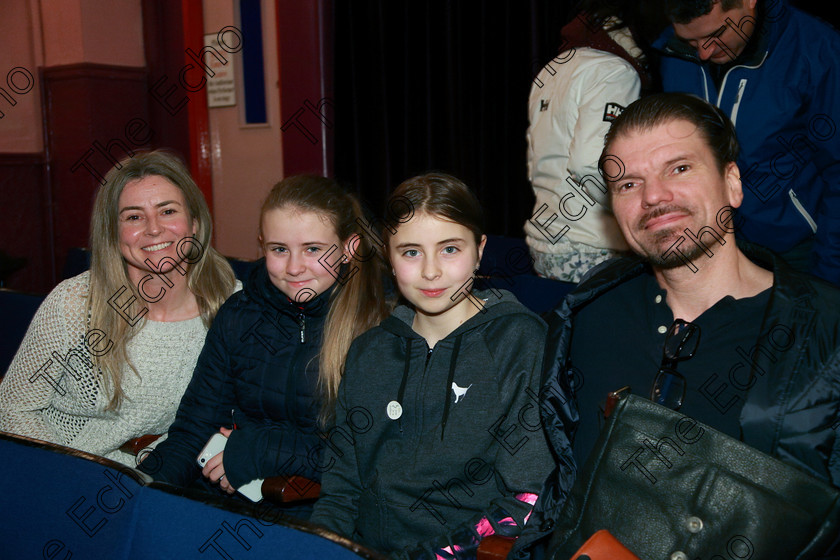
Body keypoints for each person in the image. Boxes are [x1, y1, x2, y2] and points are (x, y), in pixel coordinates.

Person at [517, 92, 840, 556]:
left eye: (679, 168)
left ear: (733, 183)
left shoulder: (823, 332)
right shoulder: (584, 315)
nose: (653, 197)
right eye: (628, 184)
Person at [310, 172, 557, 558]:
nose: (430, 271)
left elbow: (527, 497)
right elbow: (341, 489)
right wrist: (318, 548)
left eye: (449, 249)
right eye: (410, 252)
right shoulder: (369, 351)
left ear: (479, 249)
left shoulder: (519, 341)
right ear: (389, 258)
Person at [138, 175, 387, 512]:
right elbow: (194, 427)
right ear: (261, 245)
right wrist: (141, 491)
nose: (294, 267)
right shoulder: (240, 313)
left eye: (313, 249)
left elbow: (375, 460)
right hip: (232, 499)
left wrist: (257, 451)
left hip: (329, 512)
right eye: (279, 249)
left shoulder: (380, 326)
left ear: (348, 249)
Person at [0, 150, 238, 467]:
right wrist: (67, 473)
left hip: (163, 476)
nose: (154, 229)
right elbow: (14, 407)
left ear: (194, 223)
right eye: (134, 217)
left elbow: (235, 414)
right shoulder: (77, 302)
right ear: (113, 231)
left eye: (167, 211)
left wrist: (153, 466)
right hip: (59, 466)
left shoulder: (231, 305)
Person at [655, 0, 840, 284]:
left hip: (797, 251)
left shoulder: (816, 51)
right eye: (690, 40)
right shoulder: (673, 49)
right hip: (705, 247)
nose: (704, 52)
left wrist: (830, 274)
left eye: (716, 34)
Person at [524, 0, 667, 283]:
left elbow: (537, 161)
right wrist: (644, 207)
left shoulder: (553, 68)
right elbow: (592, 163)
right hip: (593, 247)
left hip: (545, 242)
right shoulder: (615, 71)